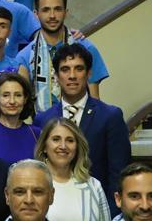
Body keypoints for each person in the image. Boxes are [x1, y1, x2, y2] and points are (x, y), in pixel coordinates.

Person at [34, 43, 130, 210]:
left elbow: (119, 175)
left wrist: (112, 220)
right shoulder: (43, 120)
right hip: (53, 209)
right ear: (56, 76)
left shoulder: (110, 116)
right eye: (65, 70)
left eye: (78, 69)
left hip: (97, 210)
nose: (72, 76)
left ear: (89, 73)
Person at [18, 0, 109, 112]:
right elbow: (21, 104)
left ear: (66, 12)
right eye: (46, 10)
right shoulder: (25, 56)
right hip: (42, 127)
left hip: (80, 127)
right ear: (36, 14)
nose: (52, 16)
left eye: (58, 9)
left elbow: (95, 101)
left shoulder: (87, 49)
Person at [35, 118, 111, 221]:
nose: (63, 146)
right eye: (56, 139)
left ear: (77, 147)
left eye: (70, 140)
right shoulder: (32, 183)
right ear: (44, 146)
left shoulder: (93, 185)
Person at [0, 72, 40, 164]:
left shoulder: (37, 134)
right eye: (5, 95)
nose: (12, 101)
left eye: (18, 95)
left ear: (25, 99)